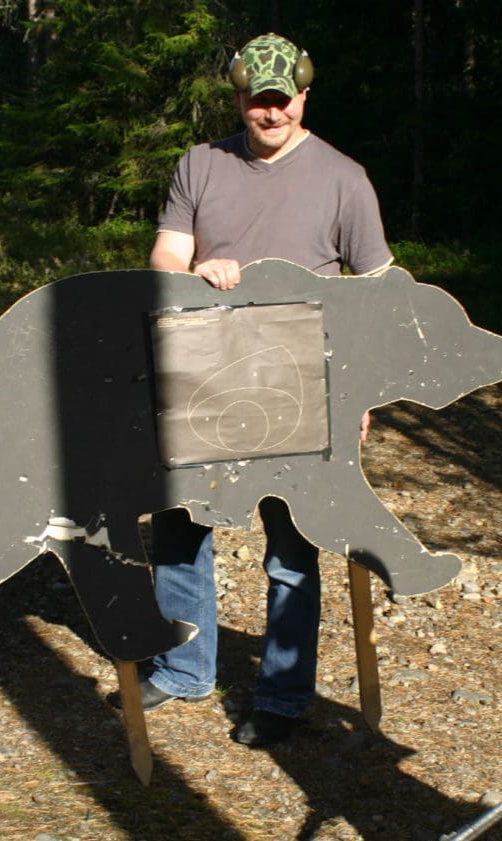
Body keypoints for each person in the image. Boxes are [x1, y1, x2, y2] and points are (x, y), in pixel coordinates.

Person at [141, 33, 393, 747]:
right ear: (239, 97)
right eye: (259, 100)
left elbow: (374, 295)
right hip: (201, 365)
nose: (271, 113)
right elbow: (166, 254)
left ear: (304, 96)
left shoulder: (345, 179)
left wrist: (360, 390)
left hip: (296, 381)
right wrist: (199, 272)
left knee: (291, 543)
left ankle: (282, 696)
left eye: (284, 100)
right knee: (180, 526)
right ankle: (185, 667)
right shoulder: (201, 164)